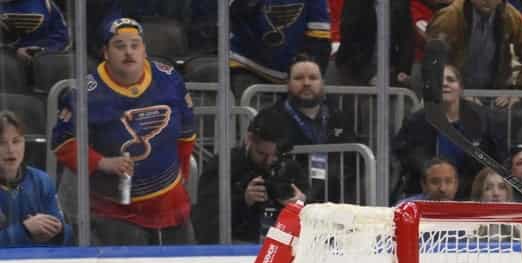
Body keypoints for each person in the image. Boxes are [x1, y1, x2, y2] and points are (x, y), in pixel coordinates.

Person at [50, 17, 196, 245]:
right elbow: (62, 143)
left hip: (172, 206)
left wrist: (182, 176)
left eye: (135, 45)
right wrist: (102, 162)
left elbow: (187, 132)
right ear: (106, 52)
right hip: (114, 213)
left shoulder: (169, 79)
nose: (129, 52)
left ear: (144, 49)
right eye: (120, 46)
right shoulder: (85, 93)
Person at [193, 107, 307, 244]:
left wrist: (302, 205)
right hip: (234, 246)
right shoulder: (224, 166)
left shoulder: (289, 167)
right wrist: (244, 200)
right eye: (262, 154)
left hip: (284, 245)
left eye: (275, 155)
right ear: (249, 139)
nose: (269, 161)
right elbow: (205, 223)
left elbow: (316, 213)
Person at [393, 63, 504, 201]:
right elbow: (404, 152)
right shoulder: (415, 121)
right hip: (428, 194)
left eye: (450, 80)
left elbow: (498, 158)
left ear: (460, 87)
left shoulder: (484, 119)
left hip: (473, 195)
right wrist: (428, 170)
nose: (444, 84)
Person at [259, 54, 358, 204]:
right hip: (287, 207)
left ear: (322, 83)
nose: (306, 83)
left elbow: (352, 165)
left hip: (334, 206)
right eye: (298, 78)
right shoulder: (269, 118)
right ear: (288, 83)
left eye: (313, 78)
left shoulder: (339, 117)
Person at [426, 0, 522, 104]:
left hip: (494, 97)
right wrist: (456, 91)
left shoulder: (510, 15)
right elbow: (434, 59)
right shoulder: (450, 16)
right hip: (453, 96)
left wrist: (518, 90)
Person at [229, 0, 332, 99]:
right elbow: (235, 12)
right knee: (250, 113)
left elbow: (319, 40)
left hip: (295, 72)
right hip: (249, 65)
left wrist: (306, 72)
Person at [0, 110, 70, 246]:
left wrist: (59, 230)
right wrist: (25, 230)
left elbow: (68, 237)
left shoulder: (41, 181)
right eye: (1, 143)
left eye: (16, 141)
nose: (11, 149)